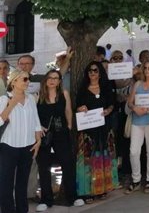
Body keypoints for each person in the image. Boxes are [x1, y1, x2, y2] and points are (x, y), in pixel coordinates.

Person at [35, 70, 84, 211]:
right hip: (44, 135)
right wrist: (38, 127)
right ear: (46, 80)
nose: (52, 80)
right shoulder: (38, 95)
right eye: (50, 78)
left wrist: (69, 125)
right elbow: (34, 114)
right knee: (43, 167)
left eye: (56, 78)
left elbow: (68, 110)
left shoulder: (64, 94)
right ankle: (46, 199)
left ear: (59, 81)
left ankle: (73, 197)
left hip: (61, 133)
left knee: (68, 164)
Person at [75, 62, 118, 201]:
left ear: (100, 73)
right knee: (88, 160)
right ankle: (87, 191)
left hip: (104, 129)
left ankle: (102, 189)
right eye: (90, 71)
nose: (93, 73)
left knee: (103, 159)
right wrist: (80, 109)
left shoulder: (106, 88)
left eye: (95, 70)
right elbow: (77, 106)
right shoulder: (82, 89)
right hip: (88, 131)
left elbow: (113, 104)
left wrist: (108, 110)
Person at [0, 71, 42, 213]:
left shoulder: (31, 98)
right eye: (24, 79)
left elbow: (35, 120)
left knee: (22, 183)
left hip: (28, 146)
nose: (27, 81)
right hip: (8, 146)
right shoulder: (4, 99)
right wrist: (12, 103)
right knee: (6, 183)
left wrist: (38, 140)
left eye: (28, 79)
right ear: (14, 81)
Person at [125, 60, 149, 195]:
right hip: (137, 120)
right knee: (134, 151)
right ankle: (136, 180)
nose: (147, 70)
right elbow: (129, 102)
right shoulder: (138, 84)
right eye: (145, 68)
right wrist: (134, 107)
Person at [109, 50, 133, 184]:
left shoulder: (129, 73)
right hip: (112, 112)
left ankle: (125, 171)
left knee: (125, 141)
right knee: (113, 141)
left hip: (125, 112)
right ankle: (113, 171)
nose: (117, 60)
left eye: (120, 57)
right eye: (115, 58)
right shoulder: (107, 75)